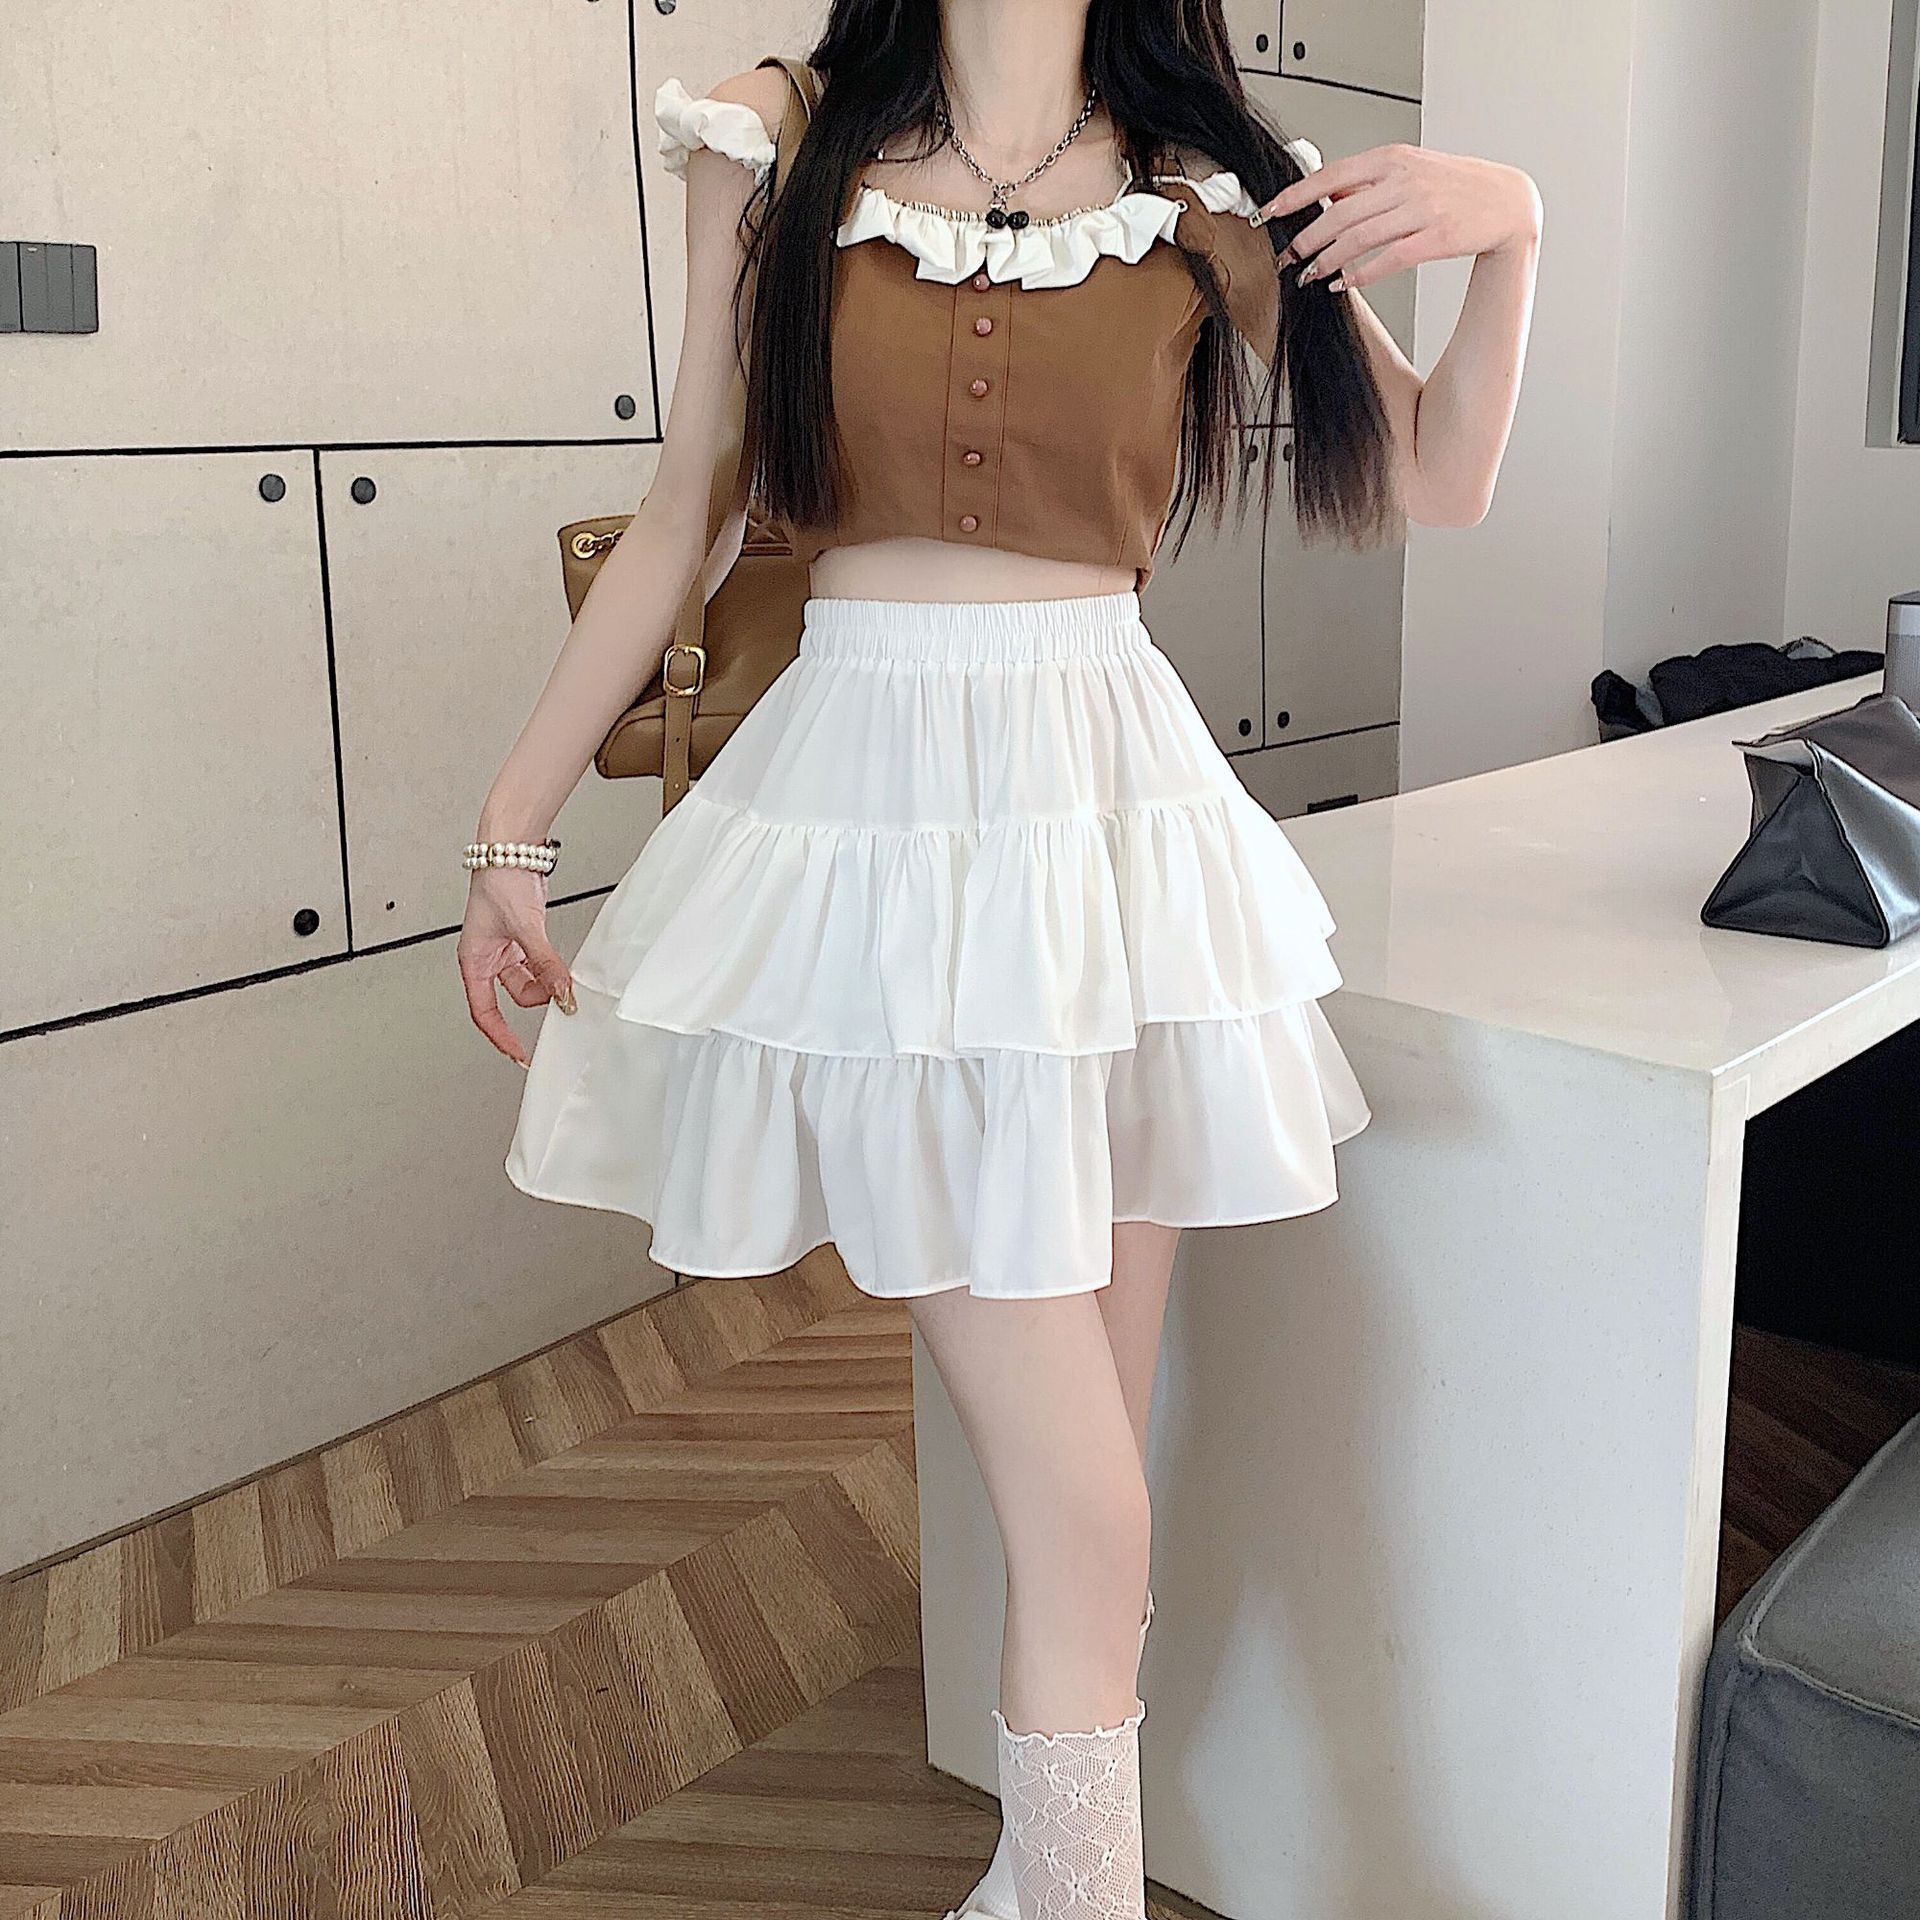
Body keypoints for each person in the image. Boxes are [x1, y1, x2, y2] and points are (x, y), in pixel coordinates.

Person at [458, 5, 1539, 1914]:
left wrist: (1515, 228)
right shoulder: (775, 138)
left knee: (1084, 1493)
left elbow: (1437, 479)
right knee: (1086, 1502)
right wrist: (515, 827)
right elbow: (691, 500)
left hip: (1111, 829)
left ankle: (1039, 1889)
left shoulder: (1205, 177)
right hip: (876, 826)